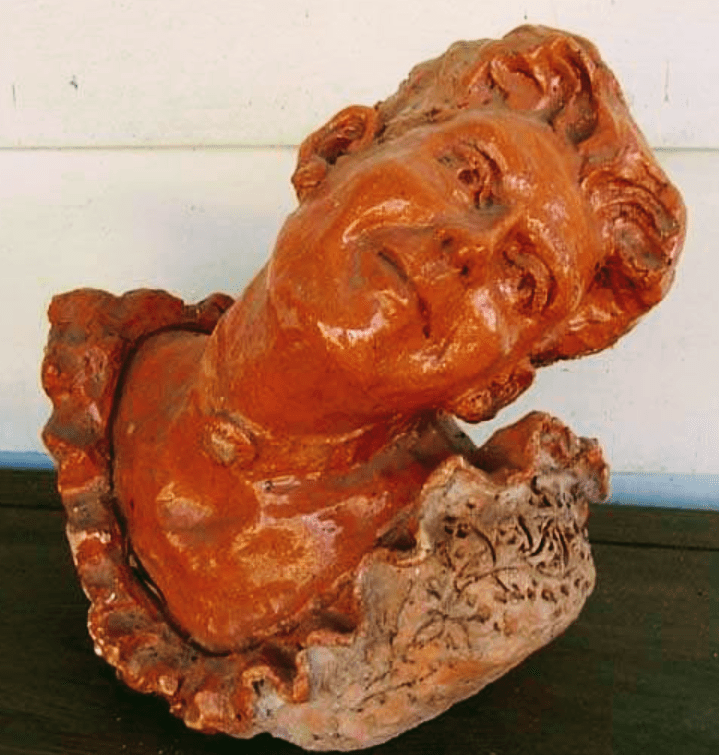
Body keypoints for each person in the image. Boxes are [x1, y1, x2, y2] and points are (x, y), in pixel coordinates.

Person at [108, 26, 684, 653]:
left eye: (523, 279)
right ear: (339, 148)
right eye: (467, 174)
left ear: (494, 387)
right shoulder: (105, 373)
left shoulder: (435, 578)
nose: (471, 246)